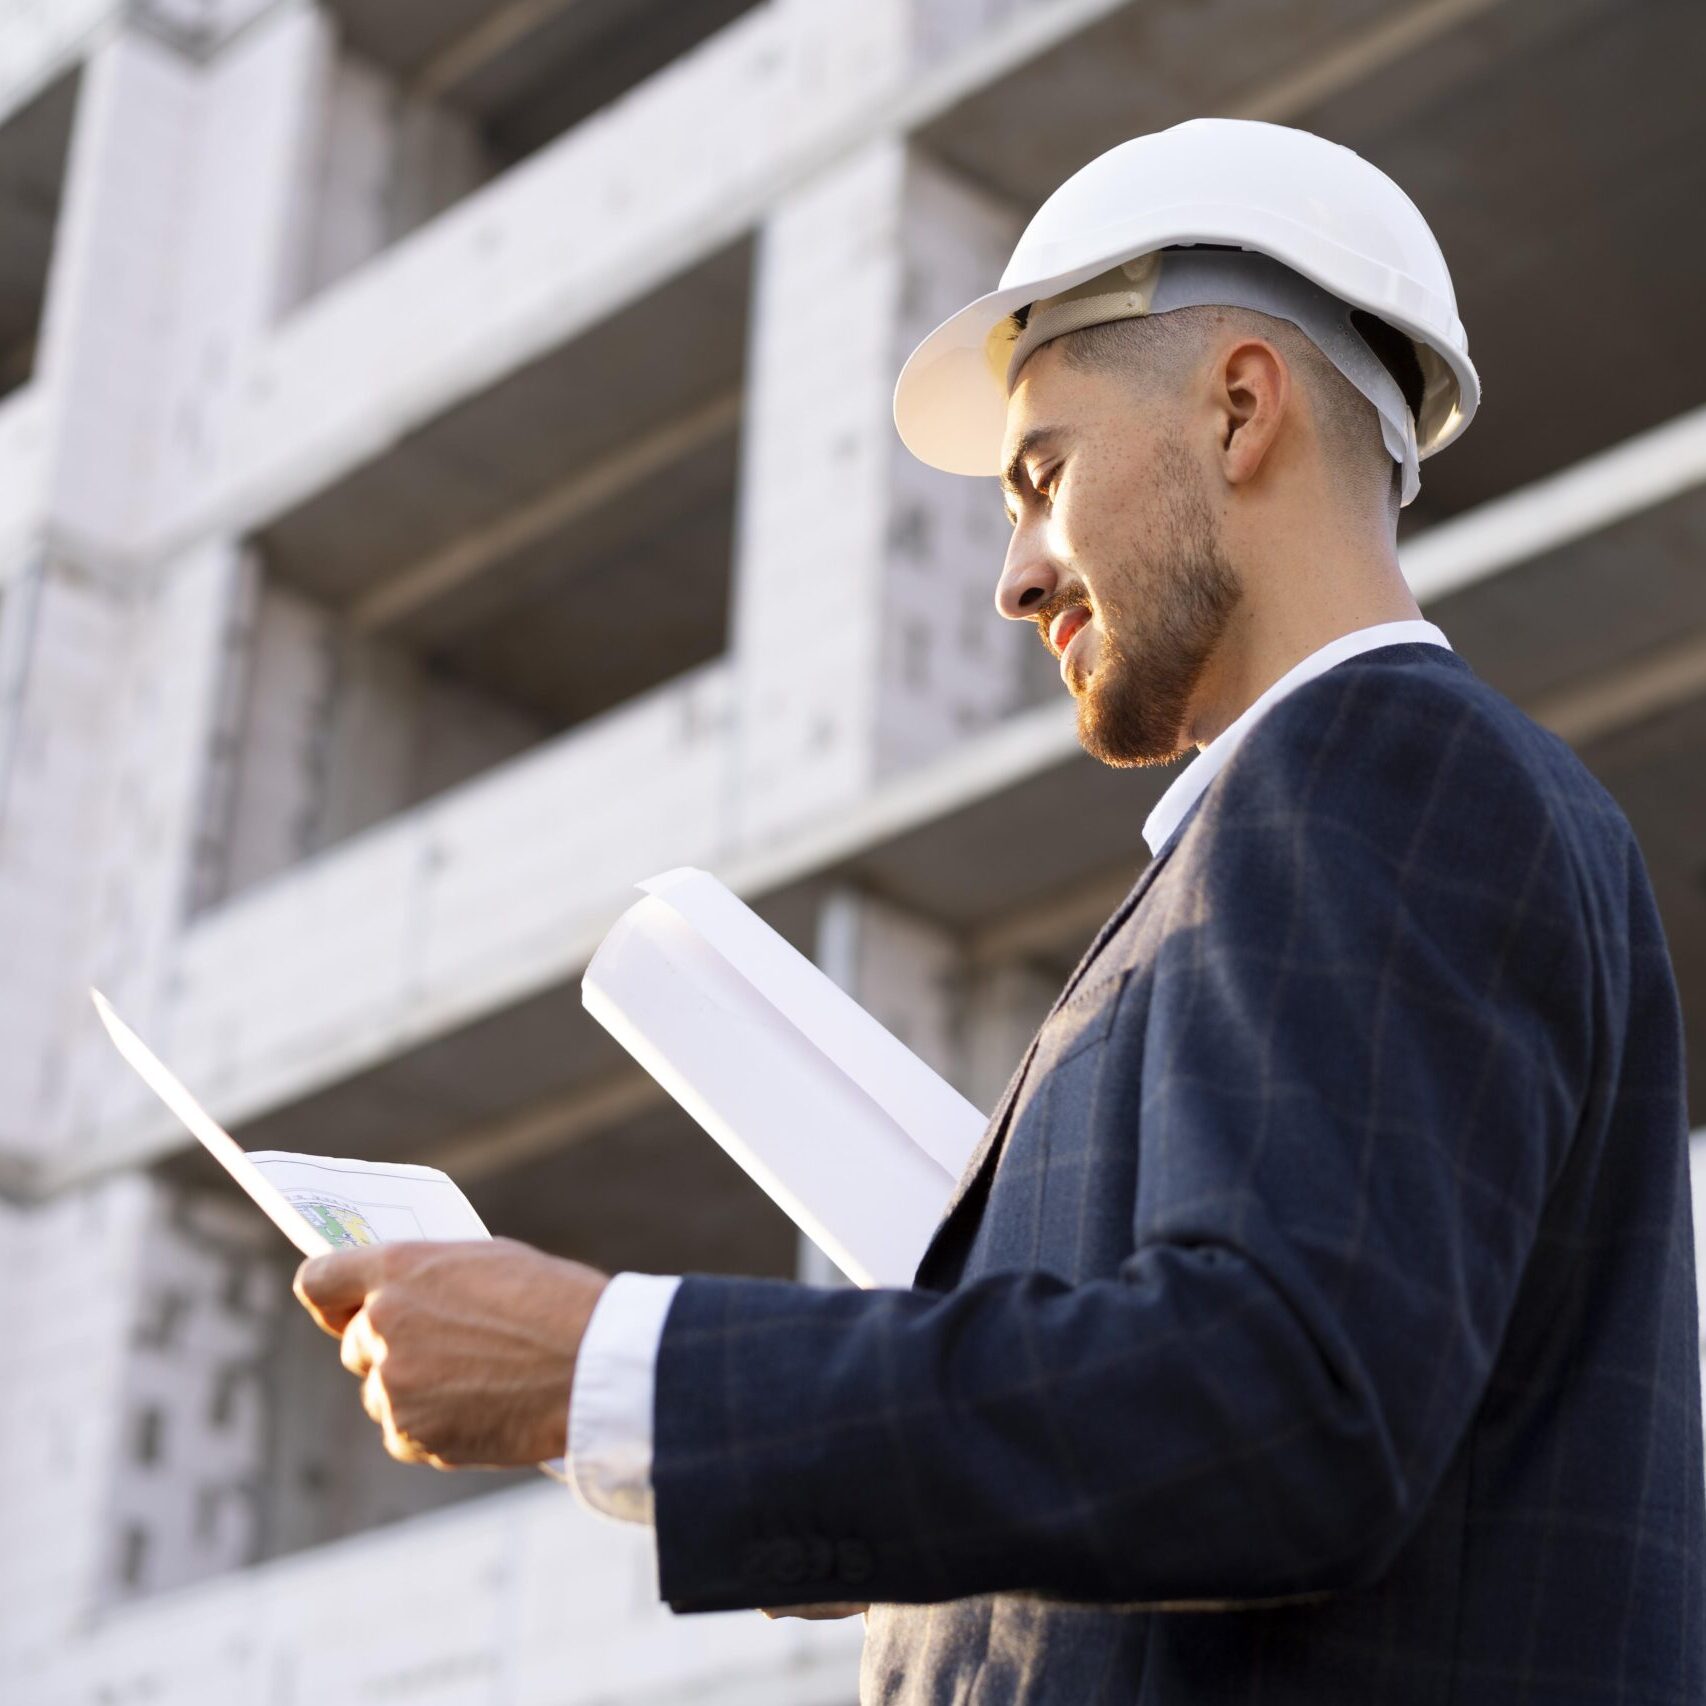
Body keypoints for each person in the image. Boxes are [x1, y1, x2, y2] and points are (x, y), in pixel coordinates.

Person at [295, 120, 1705, 1703]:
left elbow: (1282, 1408)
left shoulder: (1376, 767)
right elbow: (1238, 1447)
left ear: (1241, 407)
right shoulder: (1319, 812)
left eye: (1042, 477)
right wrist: (894, 1524)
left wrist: (610, 1361)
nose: (1014, 578)